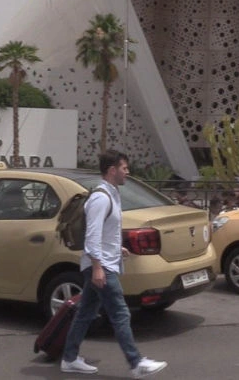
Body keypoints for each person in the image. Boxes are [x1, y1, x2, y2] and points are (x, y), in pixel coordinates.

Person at [61, 150, 168, 378]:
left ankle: (69, 359)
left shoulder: (112, 194)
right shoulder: (101, 198)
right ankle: (136, 362)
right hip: (101, 267)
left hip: (103, 262)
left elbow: (104, 232)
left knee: (84, 314)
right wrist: (98, 267)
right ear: (112, 170)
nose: (127, 172)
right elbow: (91, 236)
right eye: (124, 168)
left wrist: (117, 248)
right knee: (120, 313)